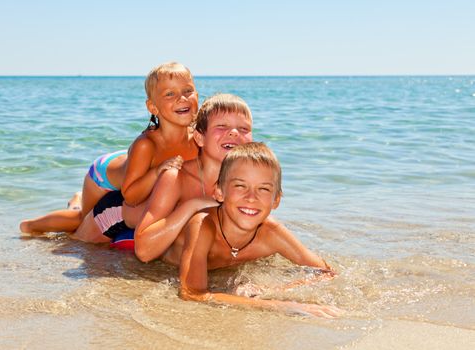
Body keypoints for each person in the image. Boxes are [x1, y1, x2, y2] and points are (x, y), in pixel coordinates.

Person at [20, 62, 199, 236]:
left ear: (197, 96)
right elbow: (130, 197)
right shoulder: (146, 145)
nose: (182, 98)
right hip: (104, 177)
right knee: (81, 220)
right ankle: (31, 225)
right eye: (169, 94)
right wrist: (156, 172)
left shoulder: (200, 138)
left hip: (130, 165)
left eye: (188, 91)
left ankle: (76, 199)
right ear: (153, 107)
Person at [173, 142, 340, 317]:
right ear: (219, 192)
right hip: (161, 268)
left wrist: (272, 290)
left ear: (276, 200)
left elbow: (326, 272)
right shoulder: (203, 226)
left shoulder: (272, 233)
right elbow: (191, 293)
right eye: (240, 186)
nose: (251, 197)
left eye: (263, 189)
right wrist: (279, 306)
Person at [133, 93, 253, 260]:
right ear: (199, 137)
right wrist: (194, 205)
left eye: (243, 129)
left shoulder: (253, 179)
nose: (234, 133)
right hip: (122, 218)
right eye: (222, 126)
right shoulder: (176, 177)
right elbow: (143, 251)